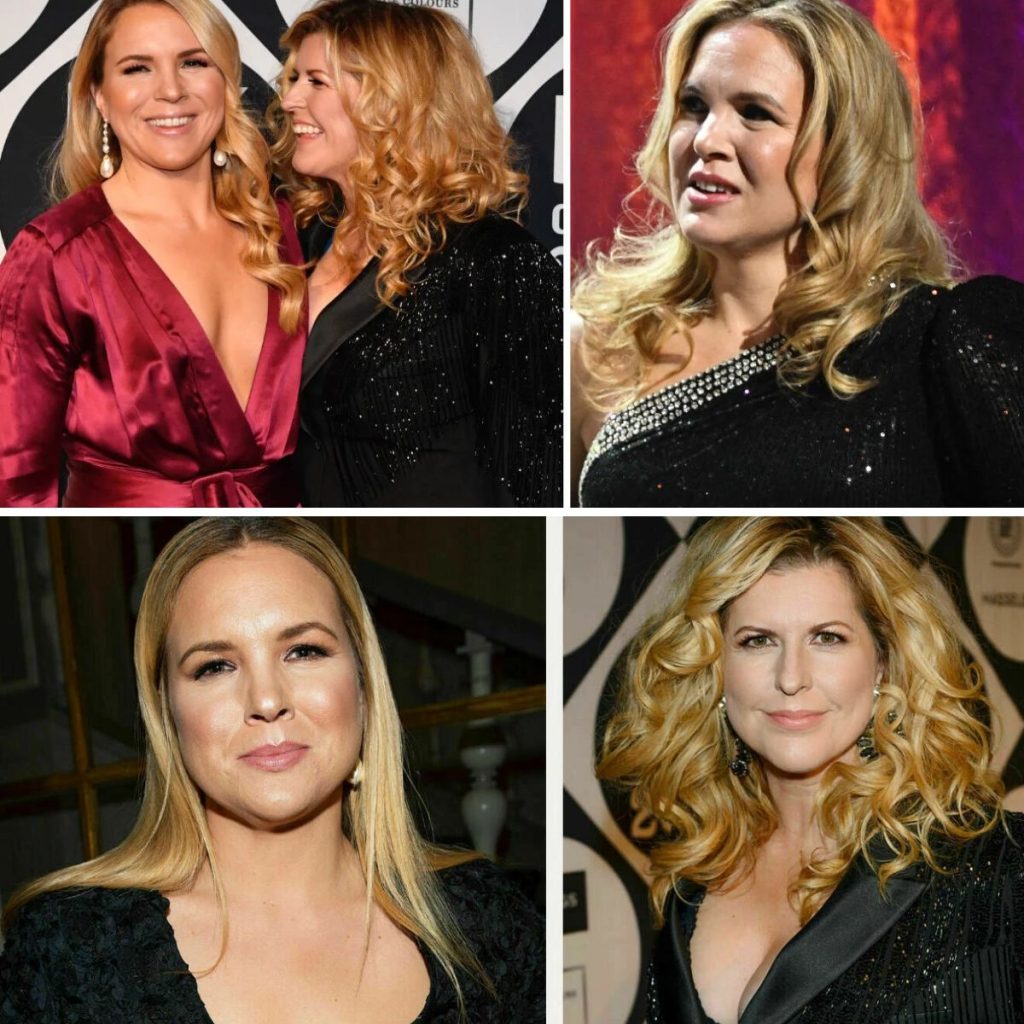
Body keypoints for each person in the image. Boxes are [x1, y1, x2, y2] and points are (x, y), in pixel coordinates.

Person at [0, 517, 544, 1023]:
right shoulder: (67, 950)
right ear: (167, 712)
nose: (266, 699)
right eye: (215, 666)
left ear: (362, 683)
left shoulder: (488, 922)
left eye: (303, 651)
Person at [571, 0, 1024, 507]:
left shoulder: (940, 340)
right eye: (693, 105)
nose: (706, 139)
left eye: (755, 113)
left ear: (844, 151)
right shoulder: (598, 346)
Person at [598, 517, 1024, 1024]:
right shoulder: (692, 883)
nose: (791, 678)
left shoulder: (1000, 871)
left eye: (827, 637)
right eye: (758, 640)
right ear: (715, 667)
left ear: (883, 662)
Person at [0, 0, 307, 507]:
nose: (170, 90)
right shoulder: (56, 255)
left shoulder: (287, 231)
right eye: (137, 68)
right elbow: (14, 484)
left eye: (194, 62)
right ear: (100, 97)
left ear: (226, 82)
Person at [271, 0, 562, 508]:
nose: (290, 100)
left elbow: (537, 479)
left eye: (316, 81)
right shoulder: (303, 238)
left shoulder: (495, 261)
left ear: (394, 101)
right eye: (295, 79)